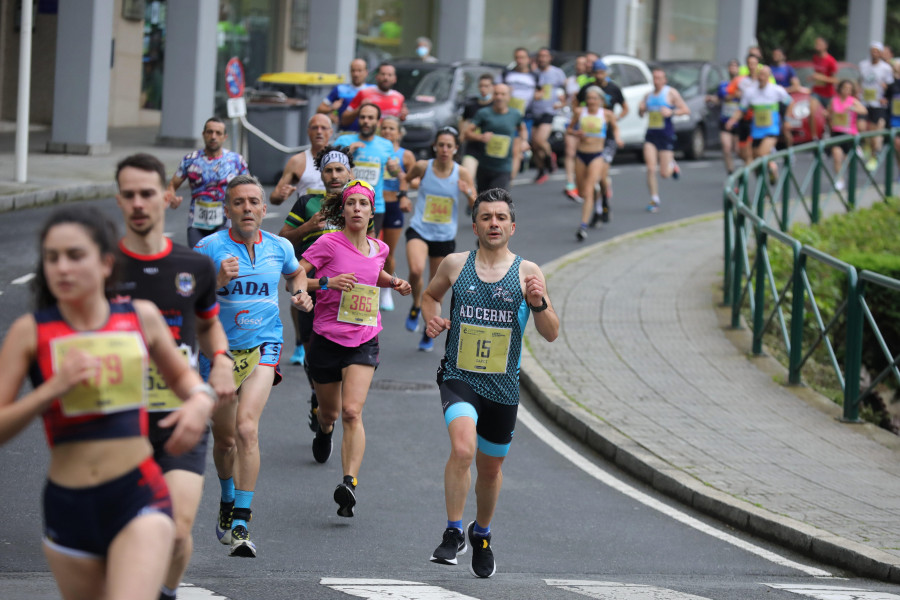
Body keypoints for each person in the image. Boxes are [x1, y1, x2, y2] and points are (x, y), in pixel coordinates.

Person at [0, 206, 215, 600]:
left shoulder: (140, 317)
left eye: (75, 255)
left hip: (136, 492)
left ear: (104, 264)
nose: (62, 268)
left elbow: (186, 379)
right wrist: (51, 390)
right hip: (69, 504)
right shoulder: (30, 332)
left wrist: (201, 400)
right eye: (52, 258)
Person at [114, 153, 236, 600]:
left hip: (177, 416)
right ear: (119, 200)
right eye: (129, 195)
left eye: (148, 193)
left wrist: (220, 358)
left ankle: (164, 592)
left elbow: (206, 323)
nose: (139, 203)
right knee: (124, 530)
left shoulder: (194, 266)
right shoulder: (102, 266)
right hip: (116, 420)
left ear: (167, 197)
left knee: (178, 530)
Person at [422, 187, 559, 578]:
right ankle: (452, 533)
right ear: (475, 224)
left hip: (502, 386)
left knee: (491, 470)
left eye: (500, 218)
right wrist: (432, 317)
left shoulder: (528, 272)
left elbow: (551, 333)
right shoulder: (454, 263)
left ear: (512, 227)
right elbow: (430, 296)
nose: (493, 223)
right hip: (459, 376)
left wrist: (538, 303)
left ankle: (481, 533)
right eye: (486, 217)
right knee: (463, 449)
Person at [194, 175, 313, 558]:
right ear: (227, 209)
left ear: (264, 209)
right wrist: (216, 280)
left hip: (264, 345)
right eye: (239, 202)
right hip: (221, 354)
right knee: (225, 438)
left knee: (247, 428)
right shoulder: (208, 247)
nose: (247, 208)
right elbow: (187, 301)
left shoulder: (279, 247)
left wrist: (299, 294)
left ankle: (242, 520)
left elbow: (296, 273)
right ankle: (228, 498)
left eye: (253, 202)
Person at [298, 180, 411, 517]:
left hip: (364, 338)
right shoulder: (328, 243)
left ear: (371, 211)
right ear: (343, 210)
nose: (357, 209)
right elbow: (296, 278)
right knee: (332, 413)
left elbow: (372, 274)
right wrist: (327, 283)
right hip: (326, 338)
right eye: (351, 204)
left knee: (352, 411)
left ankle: (349, 483)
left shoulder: (380, 249)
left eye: (363, 204)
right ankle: (323, 425)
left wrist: (394, 281)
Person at [279, 146, 361, 434]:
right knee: (312, 350)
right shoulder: (306, 203)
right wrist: (307, 228)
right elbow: (281, 241)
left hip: (348, 294)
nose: (335, 175)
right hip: (312, 290)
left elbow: (371, 248)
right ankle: (318, 393)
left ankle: (329, 399)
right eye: (328, 170)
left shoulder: (358, 203)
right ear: (321, 174)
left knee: (347, 353)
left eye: (340, 169)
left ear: (350, 172)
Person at [402, 127, 477, 348]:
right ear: (435, 146)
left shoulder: (461, 173)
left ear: (455, 149)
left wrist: (468, 193)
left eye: (449, 146)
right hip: (420, 228)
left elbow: (475, 206)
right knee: (415, 270)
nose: (444, 149)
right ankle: (416, 304)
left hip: (444, 236)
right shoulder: (423, 167)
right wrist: (403, 198)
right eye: (441, 145)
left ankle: (428, 328)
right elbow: (405, 180)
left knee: (436, 289)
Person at [271, 113, 335, 365]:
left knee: (329, 288)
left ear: (331, 132)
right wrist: (279, 194)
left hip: (332, 233)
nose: (319, 131)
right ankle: (301, 340)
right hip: (304, 233)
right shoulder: (298, 161)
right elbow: (276, 197)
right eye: (314, 127)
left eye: (324, 127)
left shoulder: (337, 161)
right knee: (298, 288)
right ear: (308, 132)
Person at [166, 117, 249, 247]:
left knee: (220, 259)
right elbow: (172, 185)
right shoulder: (190, 160)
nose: (213, 136)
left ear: (225, 137)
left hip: (225, 220)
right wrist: (171, 197)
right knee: (198, 260)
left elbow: (248, 188)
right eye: (209, 132)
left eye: (218, 133)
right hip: (196, 221)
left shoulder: (236, 161)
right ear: (203, 134)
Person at [576, 59, 628, 224]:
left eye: (602, 72)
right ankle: (598, 208)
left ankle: (604, 202)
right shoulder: (587, 89)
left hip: (608, 138)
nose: (599, 75)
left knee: (602, 175)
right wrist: (579, 120)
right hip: (590, 138)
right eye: (596, 72)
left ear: (606, 73)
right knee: (590, 183)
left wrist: (616, 119)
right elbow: (575, 103)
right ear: (592, 74)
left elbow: (625, 107)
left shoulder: (613, 88)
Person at [335, 103, 396, 237]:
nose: (366, 121)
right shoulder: (344, 141)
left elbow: (394, 173)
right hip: (347, 205)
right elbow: (330, 169)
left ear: (377, 121)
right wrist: (348, 152)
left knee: (369, 250)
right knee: (344, 248)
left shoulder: (386, 145)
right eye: (362, 117)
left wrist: (394, 169)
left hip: (375, 205)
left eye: (370, 118)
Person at [568, 86, 620, 241]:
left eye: (595, 98)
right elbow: (569, 129)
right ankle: (600, 197)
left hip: (597, 155)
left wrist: (618, 139)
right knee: (583, 192)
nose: (591, 101)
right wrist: (575, 133)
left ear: (601, 101)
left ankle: (582, 226)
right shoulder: (579, 112)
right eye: (589, 98)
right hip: (581, 155)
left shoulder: (607, 114)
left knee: (589, 189)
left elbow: (615, 129)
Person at [725, 66, 793, 185]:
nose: (761, 78)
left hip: (772, 129)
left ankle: (772, 167)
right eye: (760, 75)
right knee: (756, 160)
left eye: (764, 75)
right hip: (756, 131)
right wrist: (732, 120)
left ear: (769, 77)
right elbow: (742, 109)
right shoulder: (750, 92)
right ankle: (764, 186)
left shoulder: (777, 90)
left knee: (762, 154)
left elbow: (790, 102)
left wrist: (787, 119)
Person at [639, 66, 690, 213]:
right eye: (654, 78)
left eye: (659, 78)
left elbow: (686, 110)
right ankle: (654, 199)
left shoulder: (671, 93)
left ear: (664, 80)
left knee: (664, 174)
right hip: (651, 135)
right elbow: (641, 114)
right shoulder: (648, 95)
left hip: (666, 135)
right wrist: (641, 108)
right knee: (650, 168)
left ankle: (672, 166)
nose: (656, 81)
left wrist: (672, 111)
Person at [379, 115, 416, 311]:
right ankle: (370, 287)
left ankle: (385, 289)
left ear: (399, 133)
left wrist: (400, 175)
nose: (387, 131)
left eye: (391, 128)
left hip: (394, 206)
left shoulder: (405, 155)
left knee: (387, 252)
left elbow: (416, 180)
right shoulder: (375, 150)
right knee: (369, 250)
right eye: (384, 128)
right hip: (374, 205)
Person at [465, 83, 528, 192]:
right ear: (493, 96)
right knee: (483, 201)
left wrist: (524, 141)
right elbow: (467, 133)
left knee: (496, 200)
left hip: (504, 167)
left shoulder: (515, 114)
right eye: (496, 94)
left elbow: (522, 129)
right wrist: (480, 137)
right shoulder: (483, 113)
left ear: (509, 97)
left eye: (503, 94)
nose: (499, 97)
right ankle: (472, 207)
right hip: (484, 166)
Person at [530, 48, 567, 184]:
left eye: (545, 56)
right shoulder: (533, 74)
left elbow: (565, 91)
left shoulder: (557, 73)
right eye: (540, 56)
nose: (542, 59)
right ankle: (541, 170)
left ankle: (550, 158)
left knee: (540, 140)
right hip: (534, 111)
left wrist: (562, 102)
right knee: (534, 145)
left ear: (550, 58)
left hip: (549, 111)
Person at [501, 48, 538, 180]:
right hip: (507, 116)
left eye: (522, 57)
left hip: (525, 116)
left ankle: (508, 181)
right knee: (507, 148)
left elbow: (541, 93)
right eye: (517, 57)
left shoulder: (534, 76)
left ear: (528, 59)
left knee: (516, 149)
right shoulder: (507, 74)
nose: (519, 60)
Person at [858, 41, 894, 171]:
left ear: (880, 53)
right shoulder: (863, 65)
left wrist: (886, 96)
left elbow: (890, 86)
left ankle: (874, 156)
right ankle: (865, 145)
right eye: (872, 50)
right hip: (864, 101)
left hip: (878, 103)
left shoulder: (886, 68)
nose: (874, 53)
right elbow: (860, 81)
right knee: (860, 126)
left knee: (875, 132)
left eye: (877, 51)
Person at [341, 62, 408, 129]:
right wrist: (360, 108)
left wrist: (403, 117)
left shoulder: (399, 97)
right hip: (368, 137)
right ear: (376, 77)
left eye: (389, 75)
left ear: (395, 79)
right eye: (383, 74)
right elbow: (344, 120)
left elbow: (399, 122)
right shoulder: (364, 93)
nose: (386, 78)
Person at [827, 79, 867, 191]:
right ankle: (840, 180)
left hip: (849, 133)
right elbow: (829, 113)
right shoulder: (834, 100)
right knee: (836, 155)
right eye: (845, 88)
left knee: (847, 160)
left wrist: (852, 108)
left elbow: (864, 111)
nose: (847, 91)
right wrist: (828, 117)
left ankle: (857, 150)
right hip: (836, 132)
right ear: (840, 89)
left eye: (849, 89)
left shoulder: (852, 101)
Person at [317, 58, 374, 131]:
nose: (356, 74)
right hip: (345, 132)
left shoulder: (373, 90)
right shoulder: (340, 89)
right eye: (353, 70)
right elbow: (319, 109)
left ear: (366, 72)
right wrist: (331, 109)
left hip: (367, 134)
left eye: (359, 70)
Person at [562, 54, 590, 201]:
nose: (579, 66)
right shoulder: (569, 81)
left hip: (586, 121)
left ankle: (584, 183)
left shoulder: (590, 82)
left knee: (582, 154)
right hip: (571, 118)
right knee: (569, 151)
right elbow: (566, 100)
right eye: (577, 64)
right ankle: (570, 183)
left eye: (582, 64)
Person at [460, 74, 495, 182]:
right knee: (467, 179)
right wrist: (462, 135)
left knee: (488, 186)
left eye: (486, 86)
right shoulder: (471, 104)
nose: (483, 89)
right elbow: (464, 121)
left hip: (491, 150)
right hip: (473, 147)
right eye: (481, 86)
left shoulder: (495, 106)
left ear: (493, 87)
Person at [711, 59, 742, 174]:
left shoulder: (743, 84)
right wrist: (712, 99)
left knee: (738, 150)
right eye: (731, 66)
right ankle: (730, 172)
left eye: (735, 66)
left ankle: (743, 171)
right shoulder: (723, 84)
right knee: (726, 148)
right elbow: (719, 99)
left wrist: (733, 95)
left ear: (739, 68)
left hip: (739, 122)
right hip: (725, 119)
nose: (732, 68)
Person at [809, 37, 838, 140]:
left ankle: (832, 138)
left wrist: (821, 78)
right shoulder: (815, 58)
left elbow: (835, 80)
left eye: (819, 44)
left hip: (828, 94)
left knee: (829, 118)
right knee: (812, 112)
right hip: (817, 91)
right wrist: (813, 78)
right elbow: (817, 74)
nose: (817, 46)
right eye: (816, 44)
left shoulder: (831, 61)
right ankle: (814, 137)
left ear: (825, 46)